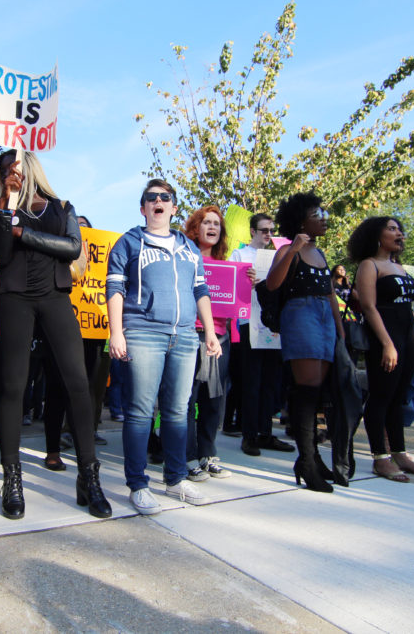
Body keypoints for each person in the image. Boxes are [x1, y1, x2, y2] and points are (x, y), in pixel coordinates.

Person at [0, 151, 110, 520]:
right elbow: (0, 252)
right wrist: (7, 207)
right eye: (6, 169)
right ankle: (12, 479)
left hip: (55, 297)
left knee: (77, 382)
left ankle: (89, 476)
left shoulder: (62, 207)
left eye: (18, 167)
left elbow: (72, 248)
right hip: (14, 299)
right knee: (13, 385)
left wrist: (24, 232)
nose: (14, 173)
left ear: (32, 169)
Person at [106, 179, 221, 514]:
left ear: (173, 207)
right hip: (142, 333)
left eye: (164, 197)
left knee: (177, 411)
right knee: (141, 412)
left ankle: (175, 478)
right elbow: (114, 288)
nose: (158, 201)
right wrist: (117, 332)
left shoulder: (189, 247)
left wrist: (210, 332)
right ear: (143, 208)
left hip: (185, 336)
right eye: (150, 198)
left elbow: (201, 291)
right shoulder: (128, 243)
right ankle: (138, 484)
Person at [265, 193, 343, 492]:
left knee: (318, 391)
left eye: (323, 211)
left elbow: (330, 294)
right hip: (300, 316)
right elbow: (273, 283)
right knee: (306, 391)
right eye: (316, 212)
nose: (324, 216)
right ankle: (307, 461)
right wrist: (292, 249)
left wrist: (340, 328)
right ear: (300, 220)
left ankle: (313, 458)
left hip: (324, 320)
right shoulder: (289, 249)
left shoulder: (321, 254)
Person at [348, 216, 414, 481]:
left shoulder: (399, 266)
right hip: (385, 337)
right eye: (392, 229)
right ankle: (379, 458)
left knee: (399, 397)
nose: (399, 234)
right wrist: (386, 344)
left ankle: (400, 452)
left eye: (400, 230)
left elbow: (410, 307)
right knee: (381, 396)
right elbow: (369, 307)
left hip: (408, 336)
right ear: (376, 234)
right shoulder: (368, 265)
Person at [226, 213, 292, 454]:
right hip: (249, 323)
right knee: (251, 382)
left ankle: (266, 432)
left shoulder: (279, 256)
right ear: (252, 231)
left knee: (271, 383)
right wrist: (247, 282)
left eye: (272, 230)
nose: (268, 234)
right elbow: (230, 288)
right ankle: (249, 435)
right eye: (264, 230)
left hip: (273, 326)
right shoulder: (239, 255)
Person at [183, 206, 233, 480]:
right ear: (196, 228)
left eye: (217, 223)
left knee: (214, 397)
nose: (212, 227)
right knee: (187, 398)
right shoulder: (185, 258)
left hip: (220, 338)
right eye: (206, 222)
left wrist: (247, 283)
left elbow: (236, 304)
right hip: (190, 335)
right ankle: (187, 455)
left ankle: (208, 453)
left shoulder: (229, 266)